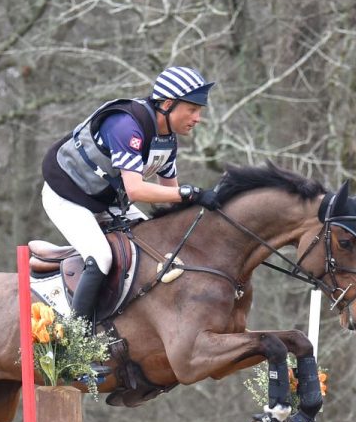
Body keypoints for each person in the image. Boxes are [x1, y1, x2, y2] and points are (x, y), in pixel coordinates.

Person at [40, 66, 221, 321]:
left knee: (158, 246)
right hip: (66, 196)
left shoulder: (167, 141)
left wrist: (204, 215)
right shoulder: (126, 125)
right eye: (192, 109)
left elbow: (171, 198)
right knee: (101, 257)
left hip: (107, 200)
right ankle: (74, 338)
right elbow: (136, 189)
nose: (198, 118)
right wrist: (192, 193)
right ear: (168, 104)